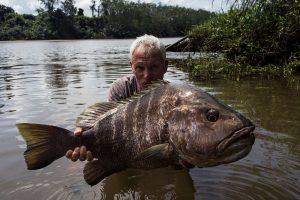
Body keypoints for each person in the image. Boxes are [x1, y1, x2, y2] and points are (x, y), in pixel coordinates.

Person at [65, 34, 168, 161]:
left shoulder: (176, 98)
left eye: (153, 67)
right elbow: (108, 124)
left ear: (165, 66)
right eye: (140, 68)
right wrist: (84, 132)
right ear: (132, 67)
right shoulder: (121, 88)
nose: (146, 75)